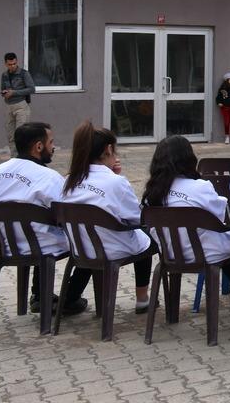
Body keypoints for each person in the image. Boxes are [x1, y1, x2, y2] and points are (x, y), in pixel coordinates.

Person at [0, 122, 89, 316]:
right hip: (42, 245)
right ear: (38, 146)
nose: (53, 147)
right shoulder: (48, 177)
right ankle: (69, 298)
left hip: (9, 246)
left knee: (39, 232)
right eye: (51, 142)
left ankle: (39, 296)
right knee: (91, 240)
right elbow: (66, 212)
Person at [61, 121, 154, 314]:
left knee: (95, 239)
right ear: (108, 149)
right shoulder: (116, 182)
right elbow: (137, 219)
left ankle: (70, 298)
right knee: (148, 235)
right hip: (112, 250)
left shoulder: (68, 180)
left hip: (81, 249)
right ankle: (142, 298)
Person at [142, 135, 230, 291]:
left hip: (171, 255)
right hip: (205, 253)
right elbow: (220, 218)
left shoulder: (152, 193)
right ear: (189, 159)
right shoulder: (200, 187)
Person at [0, 52, 35, 151]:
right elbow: (3, 88)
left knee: (21, 134)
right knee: (11, 135)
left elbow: (32, 89)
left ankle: (23, 158)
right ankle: (14, 158)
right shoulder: (4, 75)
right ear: (6, 64)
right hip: (9, 106)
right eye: (10, 64)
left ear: (16, 62)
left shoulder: (24, 73)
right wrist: (4, 93)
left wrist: (14, 92)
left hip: (21, 105)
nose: (12, 66)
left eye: (14, 63)